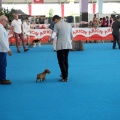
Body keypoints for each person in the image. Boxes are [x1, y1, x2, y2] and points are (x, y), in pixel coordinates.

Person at [48, 15, 73, 82]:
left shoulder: (57, 25)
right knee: (66, 61)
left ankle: (64, 77)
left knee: (61, 62)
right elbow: (71, 35)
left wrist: (50, 39)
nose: (54, 22)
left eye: (54, 21)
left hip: (60, 46)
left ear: (56, 19)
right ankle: (65, 75)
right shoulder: (69, 24)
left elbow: (54, 34)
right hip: (68, 45)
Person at [0, 15, 12, 84]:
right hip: (2, 50)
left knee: (2, 65)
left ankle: (1, 78)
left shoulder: (2, 28)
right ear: (2, 20)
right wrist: (8, 49)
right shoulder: (0, 28)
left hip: (2, 49)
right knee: (3, 65)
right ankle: (2, 79)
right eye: (6, 21)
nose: (6, 22)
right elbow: (1, 40)